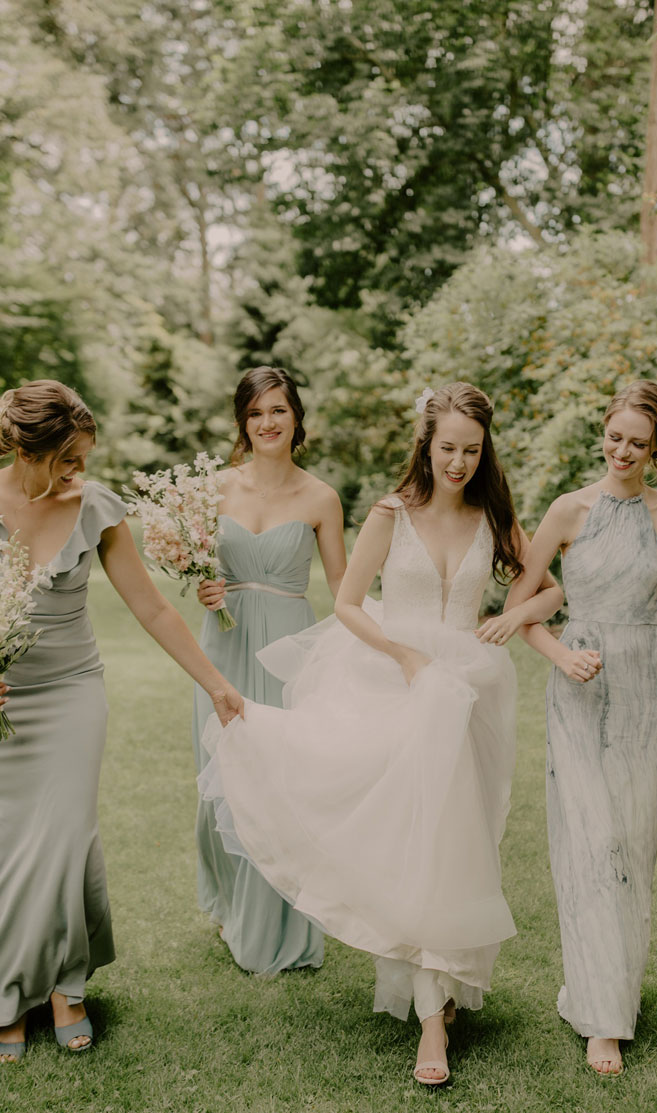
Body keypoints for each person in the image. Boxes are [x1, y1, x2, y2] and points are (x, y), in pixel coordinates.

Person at [198, 382, 563, 1085]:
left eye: (470, 450)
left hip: (469, 694)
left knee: (462, 841)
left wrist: (516, 616)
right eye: (446, 447)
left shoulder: (493, 512)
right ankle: (431, 1020)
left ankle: (444, 982)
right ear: (424, 444)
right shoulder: (390, 513)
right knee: (417, 844)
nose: (457, 461)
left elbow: (548, 588)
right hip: (397, 688)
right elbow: (344, 602)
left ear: (484, 452)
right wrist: (402, 656)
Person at [0, 380, 243, 1065]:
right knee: (13, 847)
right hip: (6, 699)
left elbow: (154, 609)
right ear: (27, 447)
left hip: (72, 693)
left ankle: (66, 988)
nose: (78, 472)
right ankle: (10, 993)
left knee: (66, 835)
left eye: (84, 457)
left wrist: (217, 684)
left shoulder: (97, 507)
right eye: (67, 459)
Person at [504, 380, 657, 1077]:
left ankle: (611, 989)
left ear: (655, 447)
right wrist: (563, 655)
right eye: (614, 436)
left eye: (637, 441)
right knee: (590, 845)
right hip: (578, 690)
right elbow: (524, 609)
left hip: (647, 695)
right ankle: (601, 1019)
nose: (622, 450)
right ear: (601, 432)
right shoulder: (567, 510)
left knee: (631, 846)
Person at [193, 366, 346, 973]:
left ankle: (282, 926)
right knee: (220, 782)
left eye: (278, 410)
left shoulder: (320, 497)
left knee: (281, 786)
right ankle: (234, 905)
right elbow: (196, 566)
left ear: (296, 417)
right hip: (222, 646)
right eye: (255, 413)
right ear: (242, 422)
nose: (267, 423)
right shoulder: (212, 489)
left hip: (286, 649)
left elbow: (344, 591)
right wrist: (203, 588)